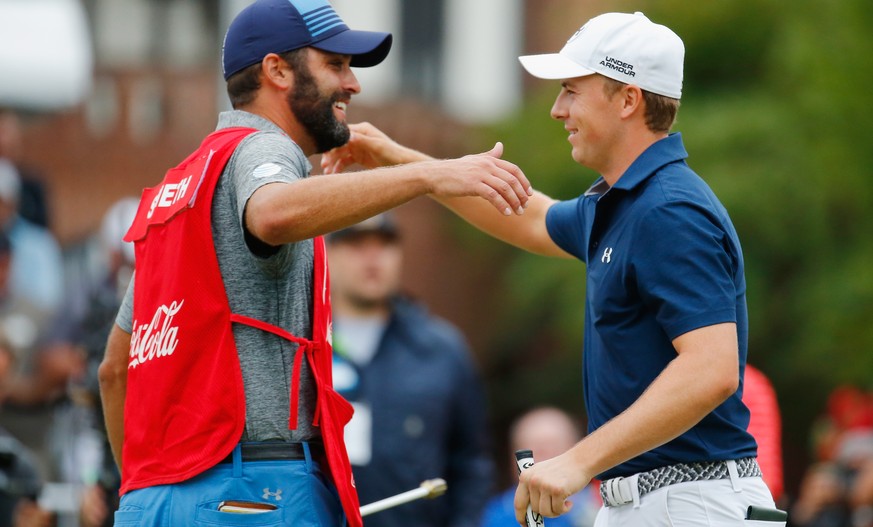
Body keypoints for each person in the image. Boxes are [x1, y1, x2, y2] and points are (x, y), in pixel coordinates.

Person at [322, 11, 783, 526]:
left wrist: (578, 460)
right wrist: (406, 163)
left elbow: (711, 369)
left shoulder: (668, 210)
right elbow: (532, 219)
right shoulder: (625, 203)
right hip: (657, 502)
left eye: (571, 90)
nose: (558, 109)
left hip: (690, 504)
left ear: (629, 99)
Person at [97, 0, 530, 526]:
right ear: (277, 70)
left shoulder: (180, 189)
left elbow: (114, 370)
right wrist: (429, 176)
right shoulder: (261, 151)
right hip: (255, 494)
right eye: (336, 65)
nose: (353, 84)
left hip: (152, 502)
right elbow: (273, 213)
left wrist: (142, 492)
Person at [327, 213, 494, 527]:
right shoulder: (304, 348)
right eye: (357, 244)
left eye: (384, 245)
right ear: (328, 254)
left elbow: (472, 463)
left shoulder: (441, 351)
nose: (373, 257)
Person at [480, 407, 599, 527]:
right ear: (513, 460)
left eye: (554, 448)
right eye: (538, 451)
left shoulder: (599, 507)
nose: (545, 461)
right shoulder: (498, 514)